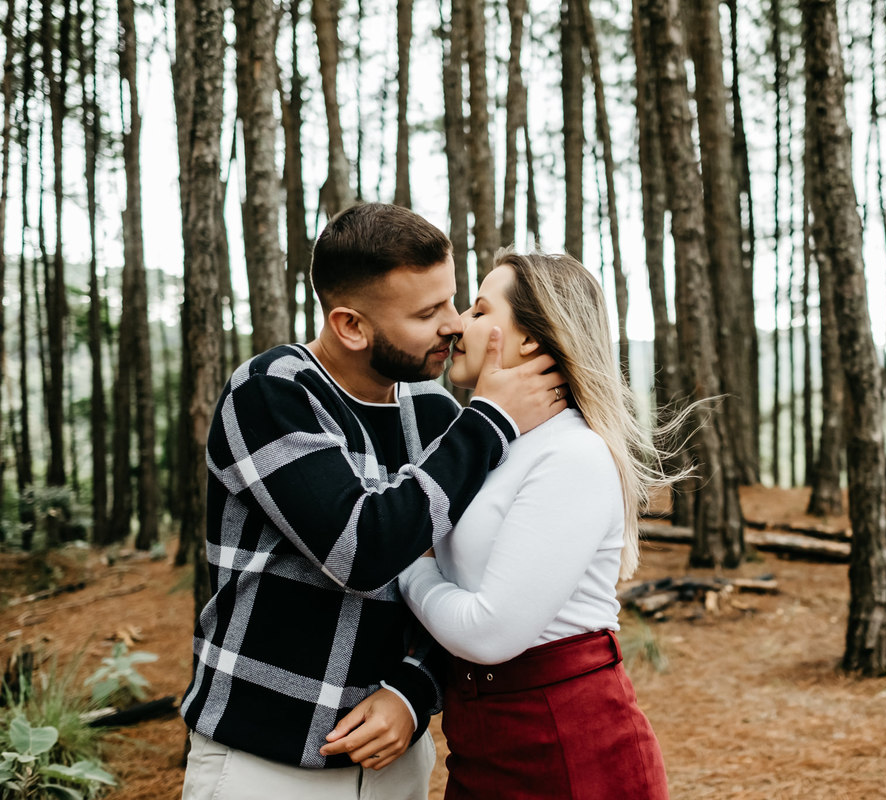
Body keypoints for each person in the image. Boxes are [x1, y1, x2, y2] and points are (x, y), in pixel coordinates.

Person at [179, 204, 565, 800]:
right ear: (351, 325)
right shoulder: (271, 394)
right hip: (264, 760)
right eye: (428, 312)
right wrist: (490, 423)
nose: (456, 325)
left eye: (454, 301)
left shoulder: (438, 417)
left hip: (395, 764)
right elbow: (360, 551)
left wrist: (417, 690)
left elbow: (464, 579)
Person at [390, 249, 672, 799]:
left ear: (529, 342)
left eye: (477, 309)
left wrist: (410, 568)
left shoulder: (573, 455)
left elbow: (489, 631)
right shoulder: (491, 447)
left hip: (569, 743)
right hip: (482, 739)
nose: (456, 325)